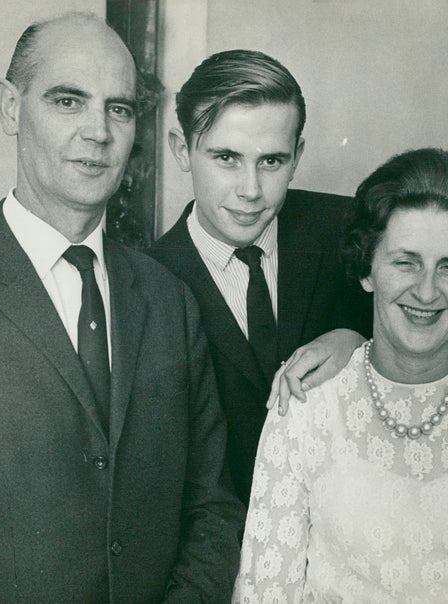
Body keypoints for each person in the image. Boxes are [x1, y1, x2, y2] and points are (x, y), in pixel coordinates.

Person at [0, 14, 244, 603]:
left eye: (119, 108)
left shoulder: (168, 300)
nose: (98, 132)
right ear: (11, 107)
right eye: (68, 101)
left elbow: (213, 505)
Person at [233, 148, 448, 603]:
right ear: (368, 268)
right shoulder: (305, 404)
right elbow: (264, 595)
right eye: (405, 262)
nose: (427, 290)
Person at [147, 49, 371, 507]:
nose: (250, 190)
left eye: (271, 162)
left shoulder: (349, 229)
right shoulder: (147, 281)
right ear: (180, 150)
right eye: (226, 157)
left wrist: (358, 342)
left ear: (298, 156)